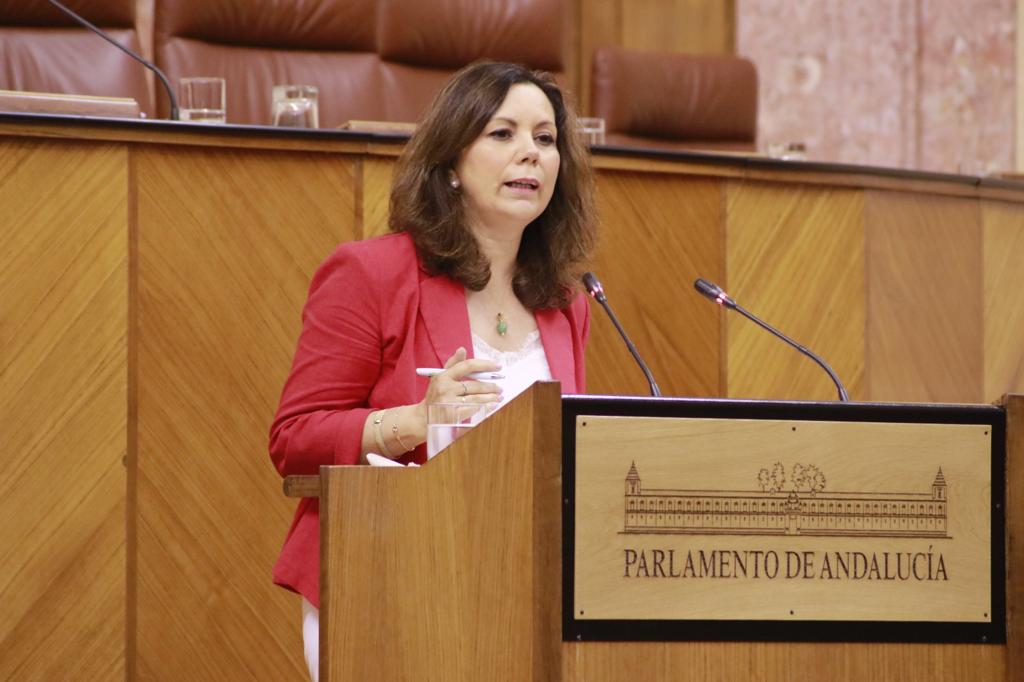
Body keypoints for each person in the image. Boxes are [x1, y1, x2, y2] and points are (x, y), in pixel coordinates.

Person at [268, 60, 597, 680]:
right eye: (503, 134)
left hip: (524, 588)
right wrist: (415, 421)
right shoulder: (373, 275)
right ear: (449, 163)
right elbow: (294, 439)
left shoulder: (564, 301)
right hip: (388, 579)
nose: (530, 153)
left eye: (546, 138)